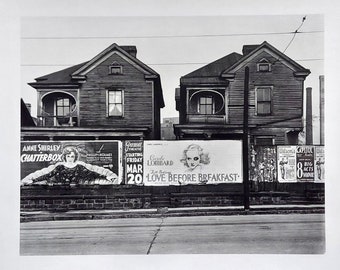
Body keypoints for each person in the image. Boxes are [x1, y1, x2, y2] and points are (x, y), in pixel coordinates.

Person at [21, 146, 118, 185]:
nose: (70, 158)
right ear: (65, 156)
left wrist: (107, 177)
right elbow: (47, 175)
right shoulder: (60, 167)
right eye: (68, 156)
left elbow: (92, 173)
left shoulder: (79, 166)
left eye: (72, 156)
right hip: (61, 191)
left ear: (75, 156)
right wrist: (33, 180)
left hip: (77, 192)